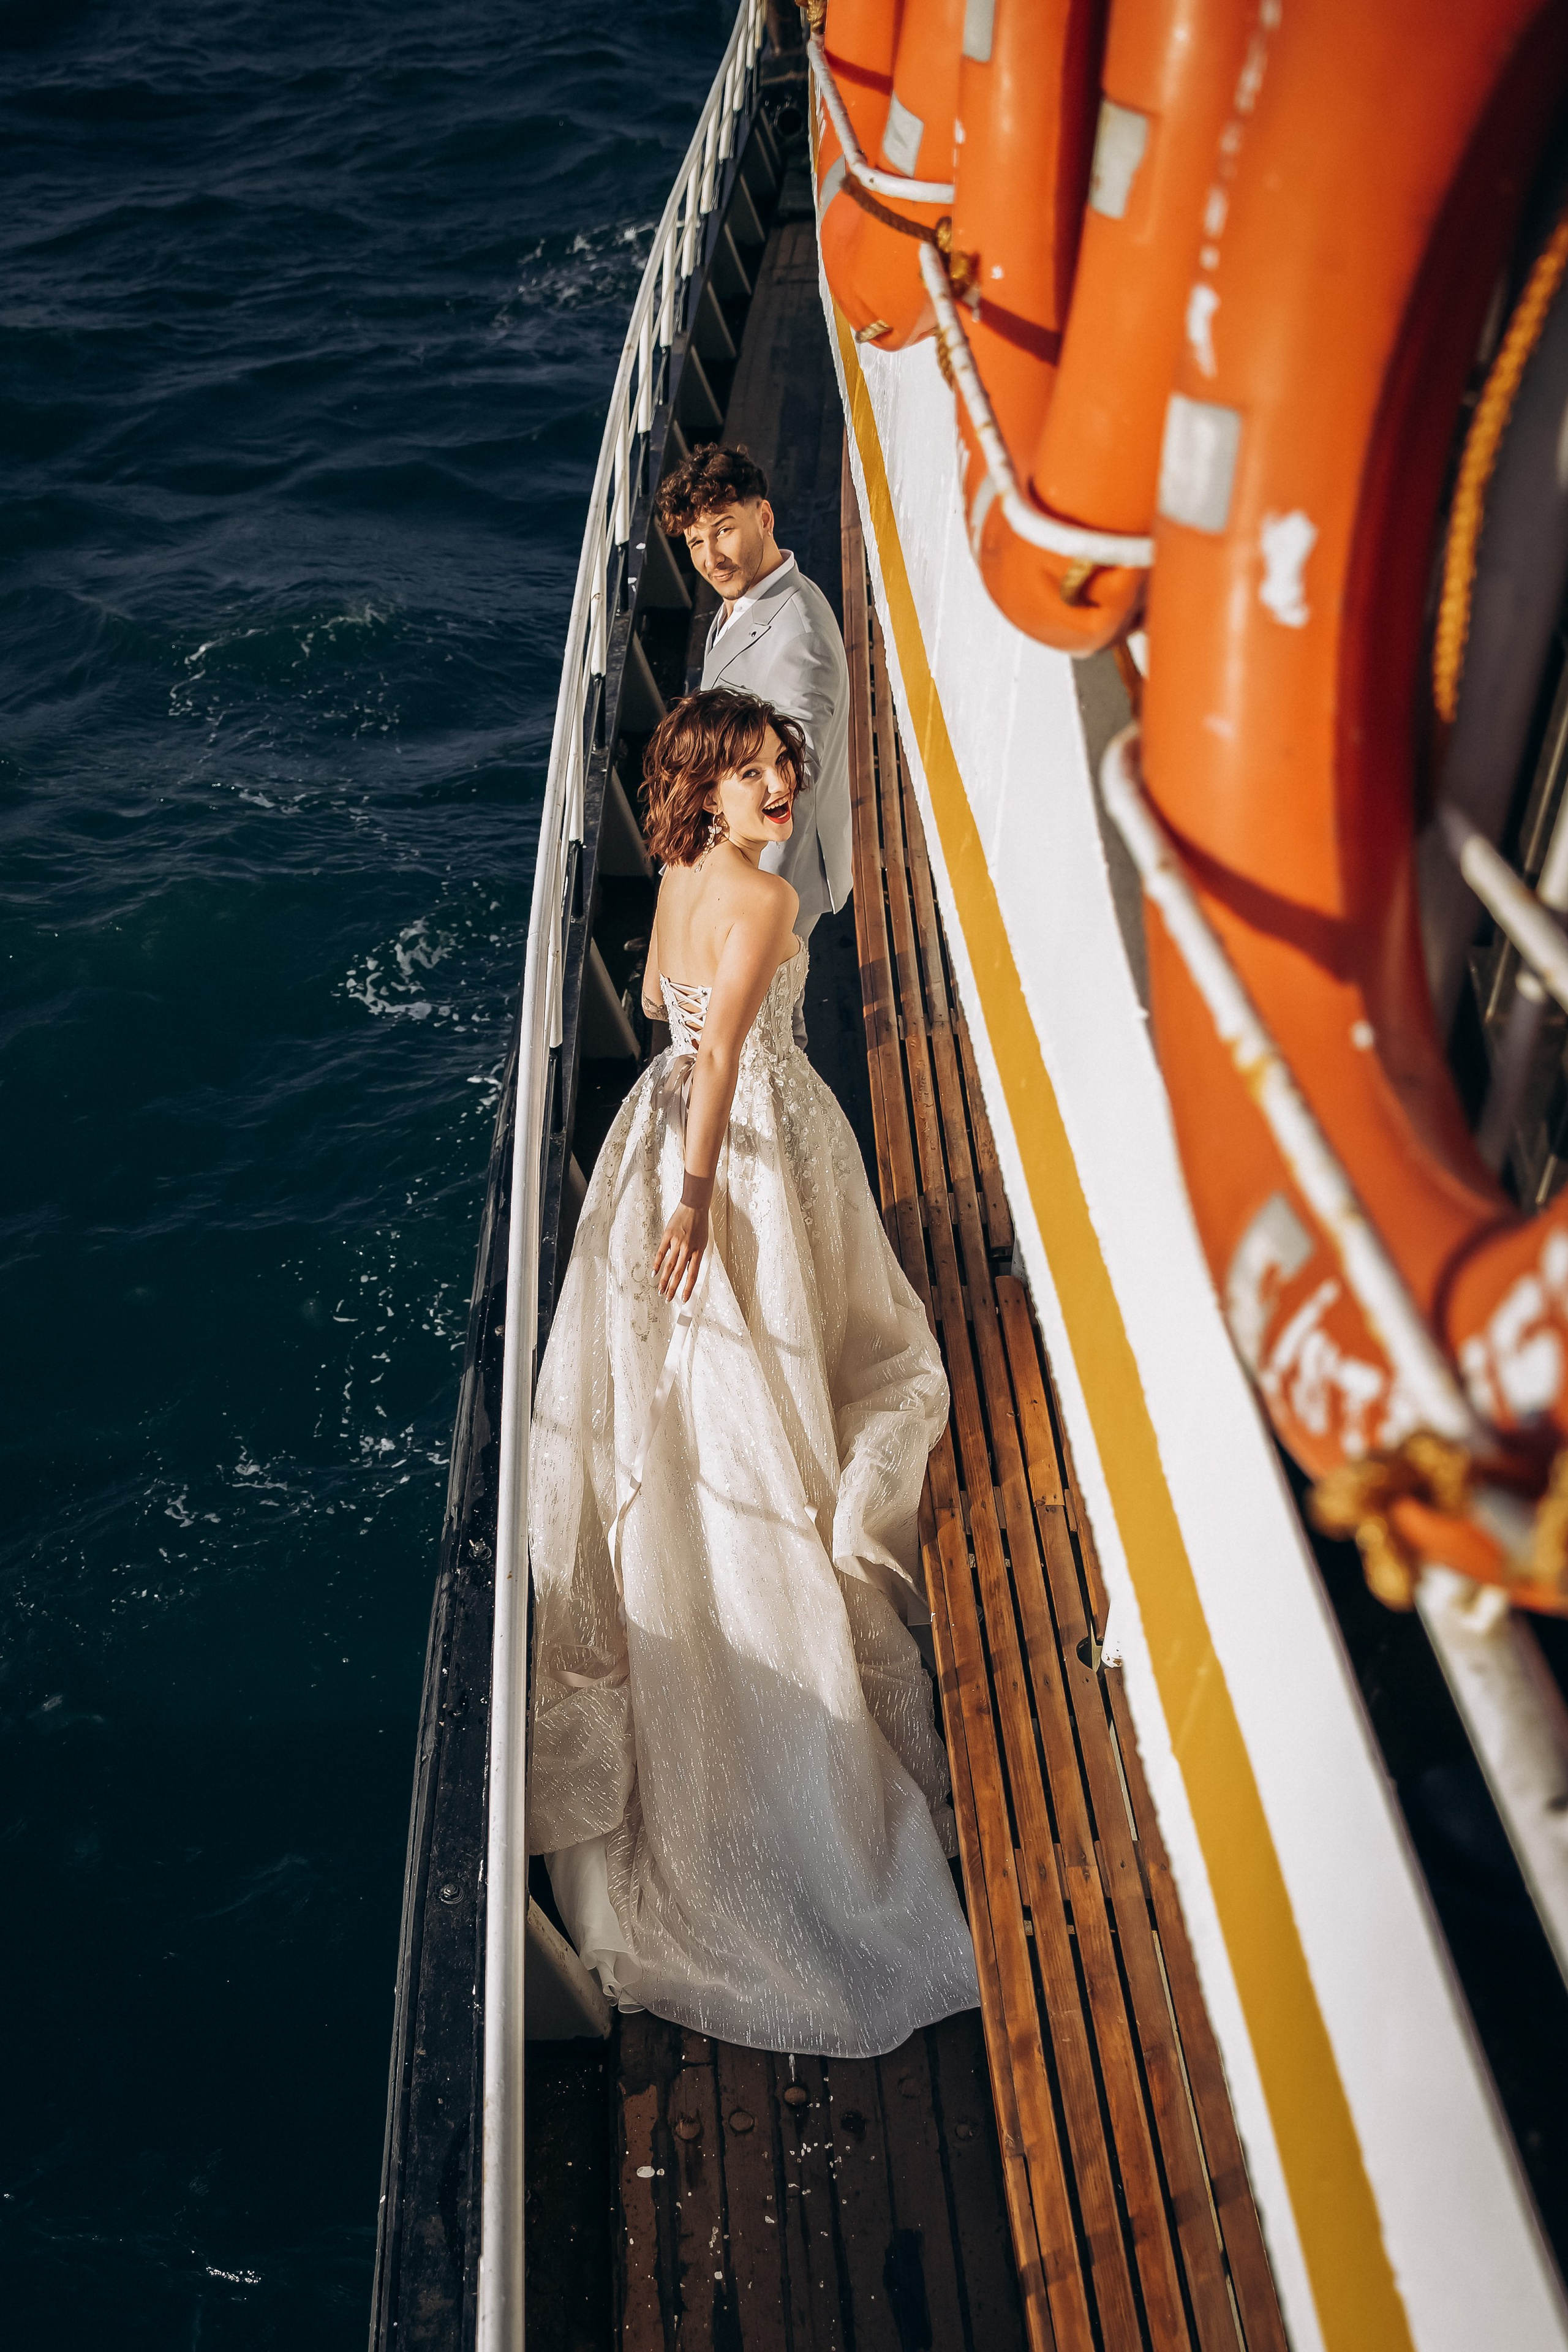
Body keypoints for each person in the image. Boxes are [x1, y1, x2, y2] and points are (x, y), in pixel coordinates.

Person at [527, 688, 979, 2059]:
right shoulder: (770, 902)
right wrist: (698, 1199)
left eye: (785, 763)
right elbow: (727, 1048)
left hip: (658, 1124)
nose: (780, 785)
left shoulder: (677, 877)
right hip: (734, 1147)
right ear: (705, 789)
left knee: (679, 1389)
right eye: (752, 771)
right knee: (793, 1343)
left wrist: (668, 1172)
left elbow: (673, 1026)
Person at [656, 444, 851, 1042]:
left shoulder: (800, 639)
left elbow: (792, 787)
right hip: (735, 858)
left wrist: (756, 912)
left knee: (764, 1035)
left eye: (724, 530)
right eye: (695, 542)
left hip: (772, 875)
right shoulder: (742, 601)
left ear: (763, 517)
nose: (711, 558)